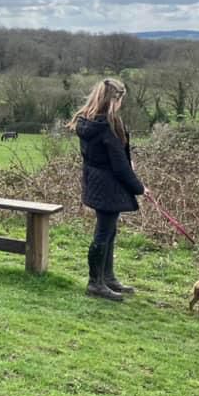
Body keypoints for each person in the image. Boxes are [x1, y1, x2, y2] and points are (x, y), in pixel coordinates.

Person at [66, 77, 149, 302]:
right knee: (104, 233)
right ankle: (96, 283)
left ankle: (108, 278)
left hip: (95, 182)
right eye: (121, 99)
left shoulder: (88, 121)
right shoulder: (107, 127)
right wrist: (140, 188)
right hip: (109, 186)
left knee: (109, 231)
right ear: (115, 99)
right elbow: (120, 166)